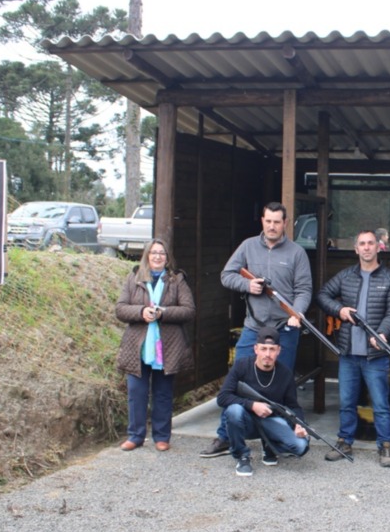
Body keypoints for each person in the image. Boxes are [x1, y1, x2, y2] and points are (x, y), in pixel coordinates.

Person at [200, 202, 313, 458]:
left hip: (285, 328)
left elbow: (304, 289)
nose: (272, 226)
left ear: (285, 223)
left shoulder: (296, 253)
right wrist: (246, 286)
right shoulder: (248, 246)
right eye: (268, 221)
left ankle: (277, 438)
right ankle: (225, 436)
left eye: (277, 222)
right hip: (253, 328)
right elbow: (226, 275)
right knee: (237, 382)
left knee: (281, 385)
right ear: (262, 221)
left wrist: (296, 314)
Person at [318, 230, 390, 467]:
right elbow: (323, 295)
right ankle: (345, 442)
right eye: (362, 244)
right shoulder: (345, 276)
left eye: (370, 243)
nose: (366, 248)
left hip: (375, 355)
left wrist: (383, 333)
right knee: (346, 402)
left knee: (380, 404)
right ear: (356, 249)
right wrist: (339, 310)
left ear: (378, 247)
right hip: (348, 353)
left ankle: (385, 447)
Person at [115, 238, 196, 452]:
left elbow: (189, 310)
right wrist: (141, 312)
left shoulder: (177, 280)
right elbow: (121, 308)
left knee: (162, 393)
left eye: (162, 253)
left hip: (167, 346)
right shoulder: (134, 278)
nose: (158, 256)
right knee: (136, 392)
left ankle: (161, 436)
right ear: (147, 256)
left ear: (167, 258)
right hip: (138, 345)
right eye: (153, 253)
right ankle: (135, 435)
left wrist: (164, 313)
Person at [215, 327, 310, 476]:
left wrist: (299, 424)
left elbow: (293, 405)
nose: (267, 354)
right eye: (263, 348)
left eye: (272, 349)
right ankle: (242, 456)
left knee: (301, 446)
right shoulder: (241, 365)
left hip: (270, 421)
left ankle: (269, 446)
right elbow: (222, 397)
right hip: (246, 421)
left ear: (279, 350)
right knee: (233, 410)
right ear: (255, 349)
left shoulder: (285, 373)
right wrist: (252, 405)